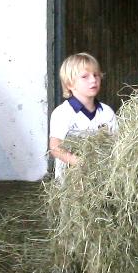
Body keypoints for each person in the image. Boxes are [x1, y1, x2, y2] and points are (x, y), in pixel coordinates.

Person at [48, 52, 117, 181]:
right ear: (70, 84)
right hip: (71, 181)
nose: (93, 80)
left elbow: (116, 142)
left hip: (102, 179)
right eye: (85, 76)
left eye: (96, 75)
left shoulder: (107, 112)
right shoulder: (62, 113)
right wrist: (79, 163)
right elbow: (55, 147)